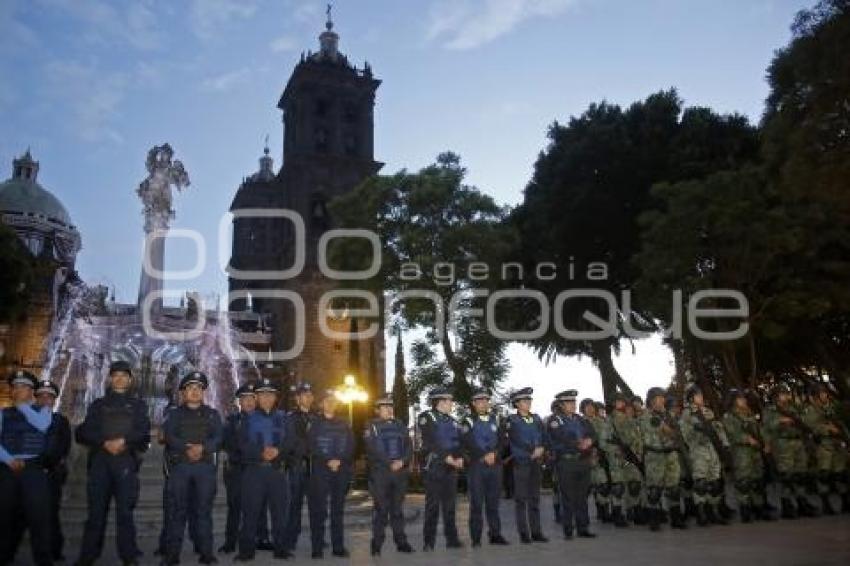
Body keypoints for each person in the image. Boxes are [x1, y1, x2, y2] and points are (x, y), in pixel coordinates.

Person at [75, 361, 151, 566]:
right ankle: (88, 556)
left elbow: (143, 431)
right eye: (115, 375)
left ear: (130, 379)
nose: (119, 378)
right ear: (109, 378)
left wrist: (124, 441)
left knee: (125, 513)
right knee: (96, 513)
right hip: (100, 461)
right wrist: (104, 442)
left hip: (126, 462)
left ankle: (129, 556)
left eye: (123, 375)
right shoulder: (98, 404)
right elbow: (83, 431)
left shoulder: (138, 405)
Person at [160, 371, 223, 565]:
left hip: (204, 468)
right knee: (176, 512)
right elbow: (169, 435)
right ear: (183, 393)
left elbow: (219, 437)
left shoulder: (213, 414)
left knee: (203, 512)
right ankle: (171, 556)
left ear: (203, 392)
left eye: (198, 388)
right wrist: (186, 448)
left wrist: (203, 448)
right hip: (180, 467)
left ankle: (206, 554)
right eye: (190, 388)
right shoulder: (174, 414)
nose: (195, 392)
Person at [235, 378, 294, 561]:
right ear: (257, 397)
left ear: (276, 397)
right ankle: (246, 552)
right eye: (262, 394)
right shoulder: (247, 419)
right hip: (254, 471)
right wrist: (261, 452)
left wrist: (278, 451)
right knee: (250, 512)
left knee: (280, 513)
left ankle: (281, 550)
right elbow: (242, 444)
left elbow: (291, 441)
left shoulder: (284, 418)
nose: (267, 398)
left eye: (270, 394)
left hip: (277, 471)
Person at [0, 370, 54, 566]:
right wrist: (8, 460)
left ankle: (43, 560)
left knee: (39, 517)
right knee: (4, 516)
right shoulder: (3, 413)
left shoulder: (43, 410)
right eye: (15, 387)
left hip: (33, 470)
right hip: (8, 469)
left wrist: (23, 407)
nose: (18, 390)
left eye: (23, 387)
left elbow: (42, 426)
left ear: (32, 391)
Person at [221, 382, 271, 554]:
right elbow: (226, 444)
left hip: (257, 468)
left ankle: (262, 538)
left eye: (252, 398)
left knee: (260, 505)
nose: (249, 402)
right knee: (234, 506)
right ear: (239, 402)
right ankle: (230, 541)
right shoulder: (232, 421)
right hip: (237, 469)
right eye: (245, 399)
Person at [364, 394, 415, 555]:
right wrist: (389, 463)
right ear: (377, 410)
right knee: (381, 510)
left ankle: (401, 543)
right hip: (381, 473)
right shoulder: (370, 426)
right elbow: (372, 448)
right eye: (384, 407)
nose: (389, 409)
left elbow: (409, 446)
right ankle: (376, 545)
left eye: (390, 406)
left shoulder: (400, 425)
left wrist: (403, 461)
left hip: (399, 473)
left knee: (397, 510)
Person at [307, 389, 355, 558]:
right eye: (327, 401)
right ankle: (317, 548)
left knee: (337, 511)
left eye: (333, 400)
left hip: (340, 471)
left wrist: (339, 461)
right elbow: (312, 445)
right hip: (321, 470)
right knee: (319, 510)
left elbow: (351, 445)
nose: (331, 403)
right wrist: (328, 460)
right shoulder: (314, 423)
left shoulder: (344, 423)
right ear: (321, 404)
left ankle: (338, 547)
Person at [417, 387, 464, 551]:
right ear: (440, 402)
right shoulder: (426, 417)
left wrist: (460, 458)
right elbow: (431, 441)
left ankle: (452, 540)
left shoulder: (453, 421)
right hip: (435, 467)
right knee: (433, 506)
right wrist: (448, 458)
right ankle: (428, 542)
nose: (452, 404)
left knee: (450, 506)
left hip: (451, 468)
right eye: (449, 401)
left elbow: (458, 442)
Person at [461, 388, 509, 547]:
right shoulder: (467, 421)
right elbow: (467, 442)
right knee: (476, 503)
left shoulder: (496, 420)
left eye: (485, 400)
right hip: (477, 467)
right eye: (479, 401)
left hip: (495, 467)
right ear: (474, 404)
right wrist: (484, 455)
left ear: (489, 403)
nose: (483, 403)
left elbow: (503, 441)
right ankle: (476, 538)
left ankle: (495, 534)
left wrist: (495, 454)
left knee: (493, 503)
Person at [763, 384, 818, 518]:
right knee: (786, 476)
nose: (786, 396)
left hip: (798, 442)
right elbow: (767, 424)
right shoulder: (771, 410)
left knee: (800, 474)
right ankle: (787, 504)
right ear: (776, 397)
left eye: (786, 393)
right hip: (783, 443)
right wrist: (780, 421)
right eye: (783, 393)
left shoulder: (792, 408)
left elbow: (804, 421)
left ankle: (802, 502)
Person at [502, 387, 547, 543]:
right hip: (522, 462)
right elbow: (515, 438)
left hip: (535, 462)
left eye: (529, 400)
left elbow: (544, 435)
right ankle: (524, 533)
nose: (528, 403)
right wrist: (532, 449)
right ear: (516, 403)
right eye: (524, 401)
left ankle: (536, 532)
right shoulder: (511, 420)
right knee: (521, 499)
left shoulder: (536, 418)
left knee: (534, 498)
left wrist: (541, 448)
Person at [680, 385, 730, 525]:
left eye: (701, 395)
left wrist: (725, 444)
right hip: (698, 450)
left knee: (715, 483)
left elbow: (718, 428)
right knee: (700, 484)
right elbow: (685, 433)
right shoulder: (687, 414)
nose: (701, 398)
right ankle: (701, 514)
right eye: (698, 395)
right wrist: (697, 431)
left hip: (712, 449)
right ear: (691, 398)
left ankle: (713, 512)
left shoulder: (708, 412)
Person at [549, 391, 596, 539]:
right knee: (568, 497)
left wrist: (589, 441)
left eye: (574, 402)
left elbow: (592, 433)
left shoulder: (580, 419)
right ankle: (568, 529)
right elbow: (560, 438)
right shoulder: (555, 420)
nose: (573, 405)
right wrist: (578, 444)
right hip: (566, 462)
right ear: (561, 405)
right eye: (569, 403)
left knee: (582, 497)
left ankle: (583, 528)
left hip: (582, 461)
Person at [640, 387, 686, 531]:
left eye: (662, 397)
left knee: (674, 489)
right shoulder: (645, 416)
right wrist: (666, 431)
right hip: (655, 456)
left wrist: (670, 432)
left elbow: (678, 433)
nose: (661, 400)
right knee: (654, 490)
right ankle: (654, 520)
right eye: (658, 398)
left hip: (671, 455)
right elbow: (649, 436)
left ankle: (676, 519)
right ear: (651, 400)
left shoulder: (669, 416)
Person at [723, 389, 773, 522]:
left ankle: (759, 507)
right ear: (734, 401)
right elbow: (731, 433)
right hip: (741, 452)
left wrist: (766, 442)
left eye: (743, 398)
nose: (743, 401)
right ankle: (745, 509)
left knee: (757, 480)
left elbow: (760, 429)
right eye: (740, 399)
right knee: (744, 482)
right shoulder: (729, 416)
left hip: (755, 451)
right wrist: (746, 439)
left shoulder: (749, 413)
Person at [36, 380, 72, 561]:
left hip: (50, 474)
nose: (45, 400)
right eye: (41, 396)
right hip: (27, 474)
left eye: (49, 397)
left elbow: (64, 447)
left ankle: (53, 551)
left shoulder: (61, 422)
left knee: (50, 515)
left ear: (54, 400)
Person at [803, 383, 849, 514]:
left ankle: (845, 501)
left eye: (824, 393)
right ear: (815, 396)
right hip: (823, 446)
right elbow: (811, 426)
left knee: (840, 474)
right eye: (821, 393)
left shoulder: (831, 408)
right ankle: (825, 503)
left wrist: (844, 435)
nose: (824, 395)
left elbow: (840, 424)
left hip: (837, 444)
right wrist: (827, 429)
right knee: (824, 475)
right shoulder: (811, 411)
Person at [283, 381, 316, 553]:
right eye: (304, 395)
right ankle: (290, 540)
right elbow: (290, 442)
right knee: (293, 506)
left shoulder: (316, 418)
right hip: (297, 467)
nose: (308, 398)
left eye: (310, 395)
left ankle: (317, 539)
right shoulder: (290, 418)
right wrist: (310, 447)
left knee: (316, 506)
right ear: (297, 398)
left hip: (315, 469)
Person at [607, 392, 644, 526]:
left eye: (623, 402)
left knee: (634, 485)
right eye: (618, 402)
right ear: (614, 404)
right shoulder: (609, 420)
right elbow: (605, 441)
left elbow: (637, 438)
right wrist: (617, 452)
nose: (621, 404)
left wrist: (639, 452)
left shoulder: (630, 419)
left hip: (632, 457)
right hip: (618, 458)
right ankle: (618, 515)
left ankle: (636, 513)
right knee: (618, 488)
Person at [580, 398, 611, 524]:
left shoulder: (602, 421)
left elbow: (606, 438)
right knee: (585, 489)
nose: (590, 408)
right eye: (587, 406)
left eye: (592, 406)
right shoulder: (580, 423)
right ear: (582, 409)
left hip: (600, 458)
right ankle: (582, 516)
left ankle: (604, 513)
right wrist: (589, 453)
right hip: (585, 459)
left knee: (602, 486)